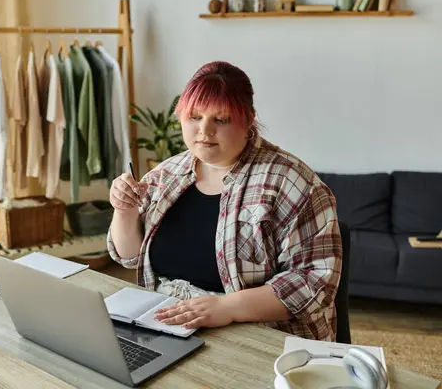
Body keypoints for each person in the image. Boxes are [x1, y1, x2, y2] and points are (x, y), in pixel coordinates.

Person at [107, 61, 342, 342]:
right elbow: (130, 256)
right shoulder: (166, 175)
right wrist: (125, 210)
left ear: (249, 120)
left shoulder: (293, 183)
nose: (204, 131)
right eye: (195, 117)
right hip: (168, 326)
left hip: (260, 337)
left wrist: (227, 308)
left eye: (221, 119)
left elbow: (315, 281)